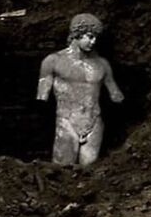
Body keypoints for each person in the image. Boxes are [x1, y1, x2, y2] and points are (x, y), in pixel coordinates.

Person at [37, 14, 124, 166]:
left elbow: (116, 96)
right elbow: (42, 96)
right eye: (90, 36)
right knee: (62, 171)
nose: (94, 41)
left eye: (96, 37)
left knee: (89, 175)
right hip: (67, 121)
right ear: (77, 34)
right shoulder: (53, 61)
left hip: (94, 122)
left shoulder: (102, 64)